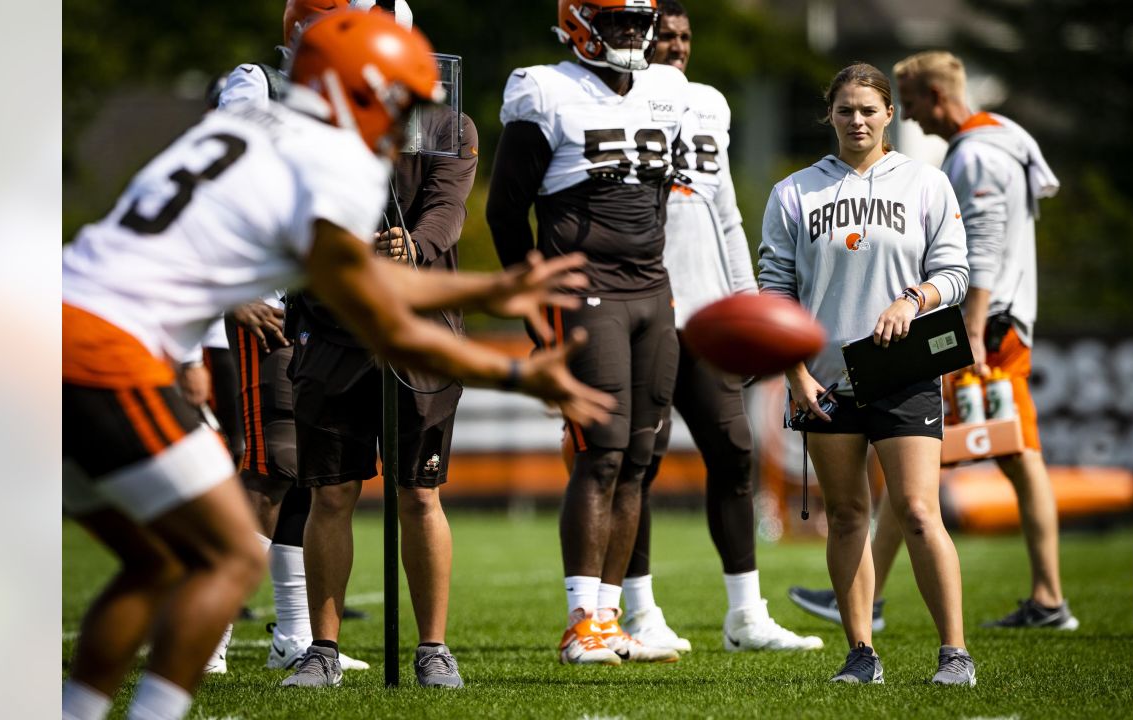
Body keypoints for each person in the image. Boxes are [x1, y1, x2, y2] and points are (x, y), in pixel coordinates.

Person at [61, 11, 614, 720]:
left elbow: (358, 273)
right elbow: (383, 316)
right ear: (361, 90)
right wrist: (513, 374)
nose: (409, 122)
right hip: (106, 348)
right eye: (399, 102)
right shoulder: (335, 161)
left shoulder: (246, 122)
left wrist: (486, 289)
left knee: (157, 560)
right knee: (227, 557)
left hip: (54, 322)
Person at [789, 50, 1074, 633]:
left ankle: (1047, 596)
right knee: (917, 485)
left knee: (1014, 457)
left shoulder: (971, 156)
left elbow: (982, 247)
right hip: (975, 323)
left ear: (903, 106)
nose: (912, 117)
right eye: (845, 110)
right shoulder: (1007, 137)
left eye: (903, 102)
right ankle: (874, 599)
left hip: (978, 327)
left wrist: (968, 329)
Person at [614, 0, 823, 655]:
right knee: (635, 466)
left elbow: (727, 212)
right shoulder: (613, 102)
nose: (675, 47)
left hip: (708, 314)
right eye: (663, 37)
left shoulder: (710, 102)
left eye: (683, 37)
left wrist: (747, 301)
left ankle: (745, 615)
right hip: (643, 309)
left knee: (734, 454)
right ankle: (640, 613)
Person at [757, 62, 975, 685]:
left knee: (916, 509)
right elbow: (774, 295)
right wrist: (796, 376)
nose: (857, 120)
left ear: (889, 115)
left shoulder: (927, 184)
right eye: (845, 109)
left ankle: (954, 655)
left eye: (868, 110)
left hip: (904, 371)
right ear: (829, 114)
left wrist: (912, 301)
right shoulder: (793, 193)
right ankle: (861, 654)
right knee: (847, 514)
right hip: (822, 381)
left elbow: (956, 274)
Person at [487, 0, 686, 665]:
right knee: (599, 452)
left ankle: (608, 617)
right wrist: (534, 307)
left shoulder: (666, 91)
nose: (631, 32)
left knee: (639, 457)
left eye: (637, 21)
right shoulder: (545, 89)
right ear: (579, 22)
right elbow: (505, 211)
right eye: (616, 20)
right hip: (585, 290)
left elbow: (657, 198)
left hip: (651, 290)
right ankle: (581, 622)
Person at [202, 0, 379, 677]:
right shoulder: (259, 85)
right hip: (268, 299)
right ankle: (211, 633)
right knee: (271, 464)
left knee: (310, 466)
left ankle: (297, 635)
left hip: (321, 309)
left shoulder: (357, 102)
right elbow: (217, 187)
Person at [284, 82, 480, 692]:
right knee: (331, 494)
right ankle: (322, 649)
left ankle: (433, 648)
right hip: (330, 328)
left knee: (420, 493)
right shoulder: (305, 127)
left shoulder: (449, 127)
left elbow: (447, 211)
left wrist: (411, 245)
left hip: (416, 331)